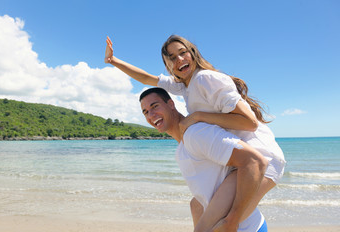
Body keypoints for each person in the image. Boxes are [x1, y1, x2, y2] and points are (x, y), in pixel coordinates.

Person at [104, 35, 286, 230]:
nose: (179, 60)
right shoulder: (185, 86)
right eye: (172, 58)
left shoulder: (204, 78)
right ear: (168, 65)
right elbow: (148, 78)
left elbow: (250, 123)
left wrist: (199, 116)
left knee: (222, 225)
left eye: (183, 53)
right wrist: (113, 61)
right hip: (243, 159)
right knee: (198, 207)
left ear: (193, 53)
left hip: (262, 157)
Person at [139, 87, 268, 232]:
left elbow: (255, 161)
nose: (151, 114)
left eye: (155, 106)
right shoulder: (182, 149)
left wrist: (233, 220)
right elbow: (201, 200)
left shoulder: (196, 133)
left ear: (171, 104)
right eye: (145, 112)